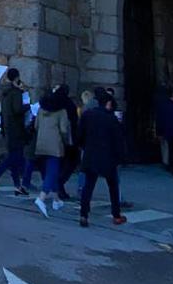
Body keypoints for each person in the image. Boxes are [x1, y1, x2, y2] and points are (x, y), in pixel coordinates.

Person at [78, 93, 127, 228]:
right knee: (113, 186)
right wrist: (121, 157)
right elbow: (118, 140)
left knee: (88, 186)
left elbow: (80, 134)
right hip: (108, 157)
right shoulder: (111, 118)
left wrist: (84, 147)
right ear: (108, 104)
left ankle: (83, 214)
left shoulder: (87, 115)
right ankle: (116, 215)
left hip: (91, 154)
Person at [0, 68, 30, 197]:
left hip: (8, 128)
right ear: (17, 78)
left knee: (16, 158)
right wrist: (28, 105)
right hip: (16, 130)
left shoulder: (5, 93)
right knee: (14, 157)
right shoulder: (15, 93)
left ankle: (17, 186)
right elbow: (17, 109)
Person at [32, 85, 72, 218]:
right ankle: (42, 198)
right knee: (53, 172)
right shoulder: (61, 112)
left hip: (41, 144)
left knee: (50, 171)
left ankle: (56, 200)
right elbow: (64, 130)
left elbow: (36, 126)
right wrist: (66, 142)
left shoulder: (41, 110)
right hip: (55, 145)